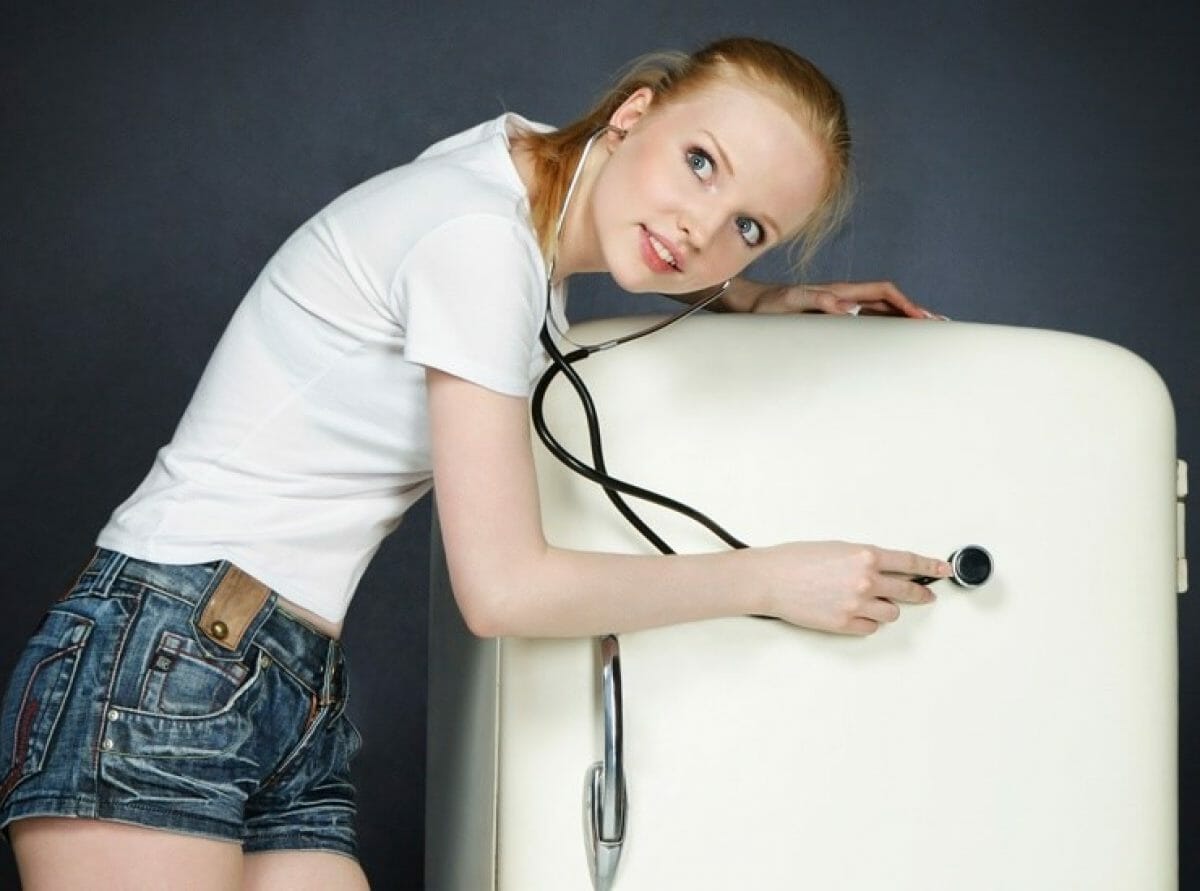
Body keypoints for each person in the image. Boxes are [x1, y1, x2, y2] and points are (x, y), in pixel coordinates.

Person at [0, 36, 952, 889]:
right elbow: (503, 588)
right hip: (167, 657)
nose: (703, 227)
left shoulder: (507, 176)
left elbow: (610, 221)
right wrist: (774, 578)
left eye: (749, 227)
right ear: (634, 112)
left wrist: (748, 298)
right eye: (701, 162)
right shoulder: (481, 241)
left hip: (265, 673)